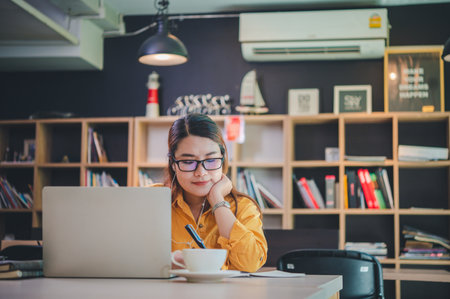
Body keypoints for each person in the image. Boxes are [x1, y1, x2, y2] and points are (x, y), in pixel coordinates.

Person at [164, 113, 267, 273]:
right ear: (173, 164)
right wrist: (169, 261)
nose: (201, 172)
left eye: (211, 160)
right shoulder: (154, 200)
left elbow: (251, 263)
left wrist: (217, 200)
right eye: (188, 162)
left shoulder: (244, 207)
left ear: (222, 159)